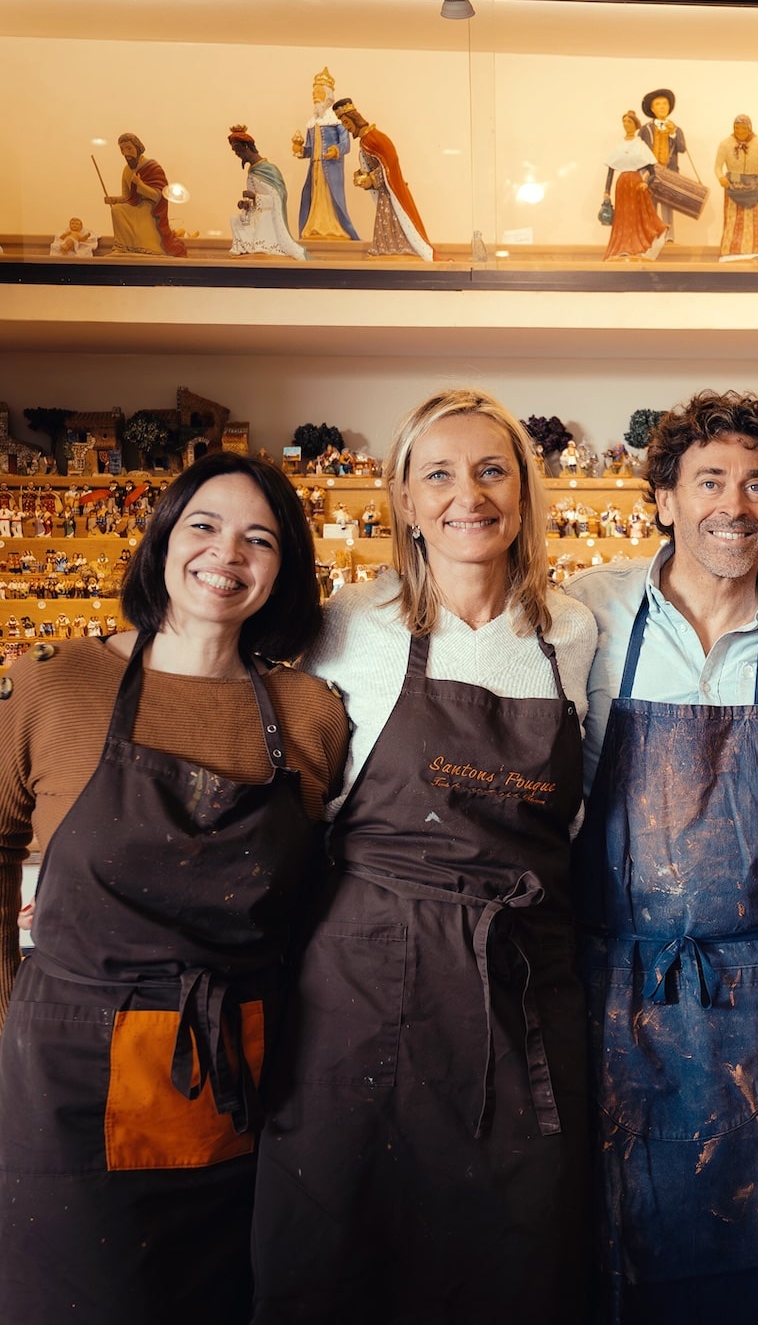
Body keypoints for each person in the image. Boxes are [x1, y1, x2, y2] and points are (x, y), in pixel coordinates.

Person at [251, 389, 596, 1321]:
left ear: (524, 492)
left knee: (520, 1244)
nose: (467, 496)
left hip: (522, 974)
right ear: (404, 499)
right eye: (437, 474)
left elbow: (580, 810)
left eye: (491, 470)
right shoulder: (344, 626)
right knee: (340, 1233)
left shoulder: (571, 632)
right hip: (368, 976)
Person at [0, 453, 344, 1321]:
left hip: (233, 1073)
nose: (227, 554)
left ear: (283, 570)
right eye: (205, 525)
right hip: (63, 1073)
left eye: (258, 539)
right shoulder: (62, 681)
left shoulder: (309, 713)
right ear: (162, 540)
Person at [565, 390, 758, 1322]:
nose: (736, 504)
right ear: (664, 499)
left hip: (756, 984)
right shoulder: (591, 613)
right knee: (617, 1234)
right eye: (711, 481)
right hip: (616, 979)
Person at [333, 98, 435, 261]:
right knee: (386, 224)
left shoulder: (375, 137)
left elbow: (390, 162)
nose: (346, 127)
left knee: (395, 222)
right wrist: (361, 175)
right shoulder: (365, 141)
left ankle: (401, 249)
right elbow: (373, 165)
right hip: (384, 193)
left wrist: (372, 178)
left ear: (355, 118)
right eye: (343, 124)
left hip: (391, 192)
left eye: (346, 122)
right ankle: (387, 249)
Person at [291, 66, 357, 240]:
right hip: (315, 169)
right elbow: (311, 149)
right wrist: (300, 150)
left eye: (318, 91)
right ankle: (314, 226)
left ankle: (333, 227)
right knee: (314, 198)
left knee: (331, 199)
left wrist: (336, 150)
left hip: (332, 167)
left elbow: (345, 144)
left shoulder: (336, 119)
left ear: (327, 94)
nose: (315, 95)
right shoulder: (313, 121)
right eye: (313, 92)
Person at [228, 125, 309, 260]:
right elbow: (254, 203)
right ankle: (245, 247)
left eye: (237, 149)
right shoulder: (252, 171)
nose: (236, 154)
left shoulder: (269, 170)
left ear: (246, 147)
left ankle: (262, 246)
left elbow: (278, 198)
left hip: (268, 216)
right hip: (256, 213)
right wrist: (246, 204)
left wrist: (255, 197)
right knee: (235, 219)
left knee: (263, 218)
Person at [105, 131, 187, 257]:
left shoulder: (153, 167)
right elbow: (127, 197)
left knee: (134, 211)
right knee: (116, 210)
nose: (125, 153)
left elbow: (159, 196)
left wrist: (140, 185)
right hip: (135, 205)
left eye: (129, 148)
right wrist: (114, 200)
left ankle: (148, 247)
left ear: (138, 147)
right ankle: (123, 247)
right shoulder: (127, 170)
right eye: (122, 149)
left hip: (150, 207)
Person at [601, 110, 666, 261]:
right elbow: (610, 171)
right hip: (622, 185)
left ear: (636, 125)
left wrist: (646, 182)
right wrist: (606, 191)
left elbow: (653, 172)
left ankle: (637, 246)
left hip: (636, 184)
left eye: (629, 122)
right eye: (624, 121)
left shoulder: (641, 146)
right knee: (623, 217)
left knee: (637, 216)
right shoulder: (618, 146)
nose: (626, 124)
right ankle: (622, 246)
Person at [715, 114, 758, 263]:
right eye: (737, 128)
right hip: (732, 184)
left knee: (755, 219)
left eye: (743, 128)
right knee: (732, 219)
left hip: (754, 185)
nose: (740, 131)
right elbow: (717, 167)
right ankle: (730, 251)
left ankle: (756, 249)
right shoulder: (725, 144)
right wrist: (721, 177)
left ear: (749, 128)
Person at [639, 88, 690, 244]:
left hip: (669, 172)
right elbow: (639, 151)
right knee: (651, 205)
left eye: (665, 104)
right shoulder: (645, 129)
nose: (662, 107)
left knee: (668, 206)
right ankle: (652, 235)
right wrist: (642, 174)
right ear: (652, 109)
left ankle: (669, 236)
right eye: (658, 104)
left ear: (669, 107)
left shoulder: (676, 129)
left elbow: (682, 148)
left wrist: (673, 133)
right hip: (651, 172)